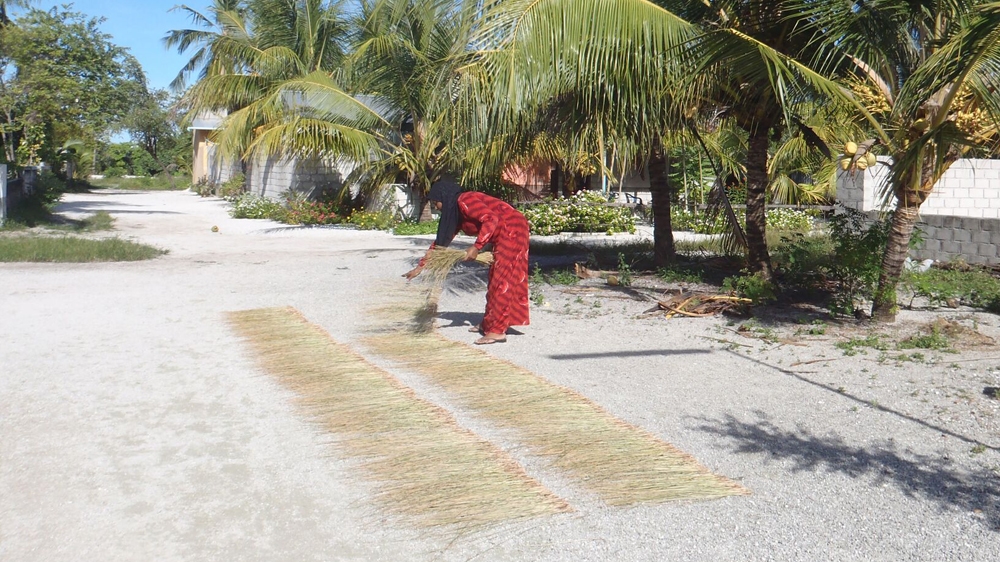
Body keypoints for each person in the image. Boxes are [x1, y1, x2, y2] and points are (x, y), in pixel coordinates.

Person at [404, 183, 530, 344]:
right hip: (502, 232)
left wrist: (477, 246)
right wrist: (420, 267)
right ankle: (491, 322)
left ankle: (497, 331)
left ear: (444, 197)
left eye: (436, 202)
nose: (436, 207)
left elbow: (491, 219)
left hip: (512, 229)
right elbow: (441, 244)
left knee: (502, 280)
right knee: (494, 279)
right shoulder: (455, 214)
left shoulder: (465, 200)